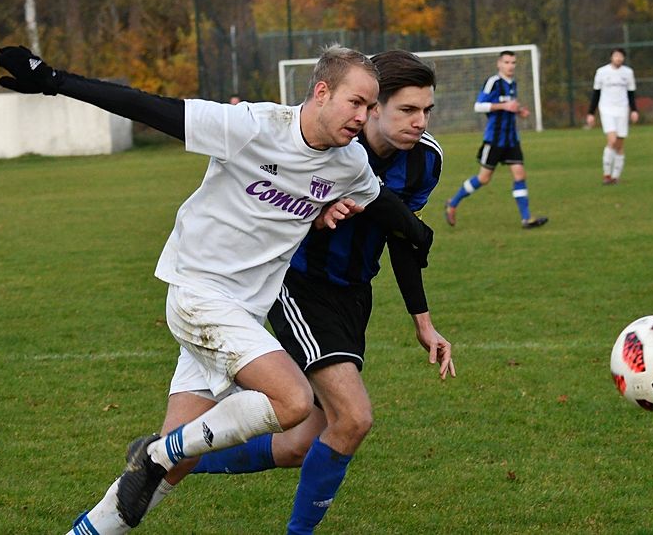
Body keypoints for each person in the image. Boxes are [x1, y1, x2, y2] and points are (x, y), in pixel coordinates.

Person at [0, 43, 433, 534]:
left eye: (370, 106)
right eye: (356, 102)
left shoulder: (349, 163)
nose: (363, 116)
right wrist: (55, 81)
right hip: (198, 295)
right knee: (292, 401)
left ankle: (101, 514)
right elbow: (148, 106)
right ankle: (158, 452)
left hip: (243, 312)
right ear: (322, 92)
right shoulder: (252, 127)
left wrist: (417, 233)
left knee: (173, 469)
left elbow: (381, 203)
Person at [186, 49, 454, 535]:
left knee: (300, 443)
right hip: (300, 286)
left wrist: (424, 322)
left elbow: (403, 237)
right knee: (354, 418)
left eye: (426, 110)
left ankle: (168, 458)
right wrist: (318, 212)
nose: (420, 122)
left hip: (354, 294)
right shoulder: (329, 141)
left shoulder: (425, 161)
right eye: (407, 110)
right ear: (373, 106)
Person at [444, 50, 547, 229]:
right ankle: (452, 203)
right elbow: (478, 106)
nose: (510, 66)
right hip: (494, 140)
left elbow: (509, 107)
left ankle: (526, 219)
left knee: (520, 174)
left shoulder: (513, 84)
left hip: (511, 140)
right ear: (499, 64)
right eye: (506, 62)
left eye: (513, 63)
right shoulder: (493, 82)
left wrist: (519, 111)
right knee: (483, 178)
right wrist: (504, 106)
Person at [586, 48, 638, 185]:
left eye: (621, 56)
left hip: (622, 110)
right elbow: (596, 94)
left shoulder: (628, 73)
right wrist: (591, 113)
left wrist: (634, 110)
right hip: (606, 109)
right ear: (611, 57)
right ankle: (606, 174)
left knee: (619, 144)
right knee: (612, 140)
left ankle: (615, 176)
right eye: (616, 56)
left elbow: (631, 94)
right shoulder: (601, 72)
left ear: (623, 58)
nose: (618, 58)